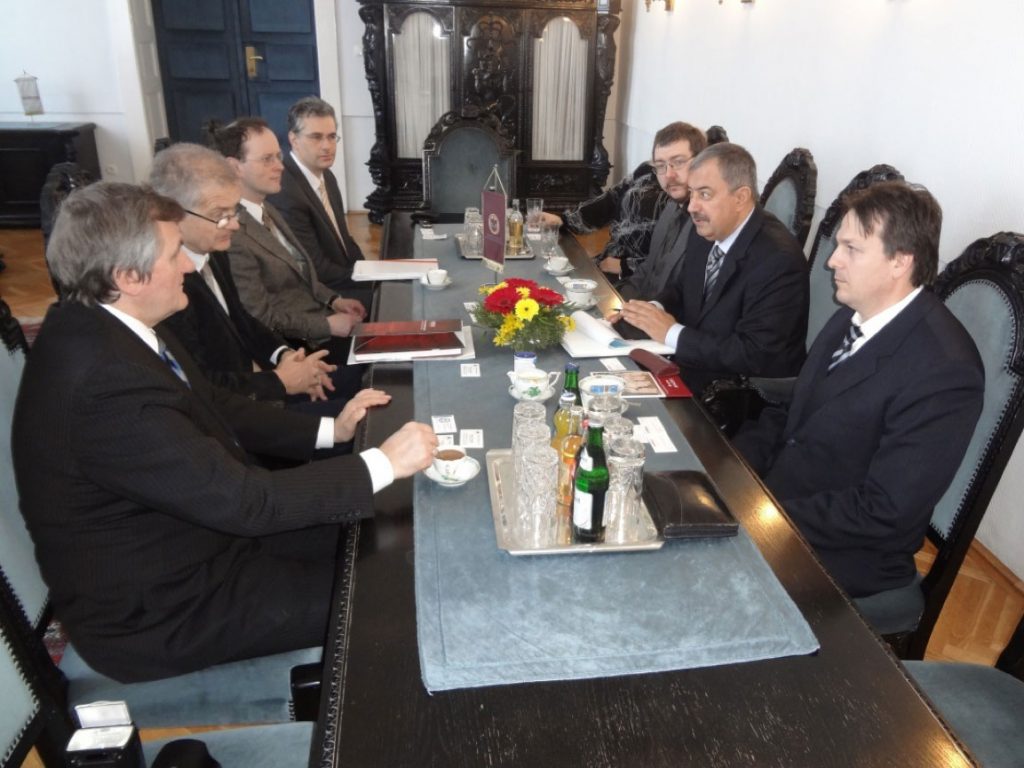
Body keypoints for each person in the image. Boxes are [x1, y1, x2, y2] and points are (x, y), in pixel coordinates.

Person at [11, 182, 437, 682]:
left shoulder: (112, 325)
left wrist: (332, 431)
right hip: (166, 609)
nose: (189, 267)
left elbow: (215, 405)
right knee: (398, 590)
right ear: (128, 277)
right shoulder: (103, 385)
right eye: (174, 254)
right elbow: (245, 503)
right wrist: (382, 462)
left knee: (394, 530)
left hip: (201, 542)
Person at [732, 181, 984, 599]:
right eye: (838, 245)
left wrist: (761, 516)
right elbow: (793, 413)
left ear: (900, 261)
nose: (832, 261)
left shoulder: (945, 371)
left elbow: (885, 511)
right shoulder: (854, 315)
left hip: (841, 553)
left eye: (851, 249)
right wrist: (731, 468)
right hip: (782, 502)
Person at [151, 142, 343, 411]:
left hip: (260, 386)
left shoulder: (214, 250)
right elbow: (203, 384)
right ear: (174, 214)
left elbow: (243, 320)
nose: (234, 225)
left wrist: (285, 356)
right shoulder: (168, 287)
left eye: (234, 211)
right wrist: (279, 381)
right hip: (236, 411)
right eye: (220, 215)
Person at [619, 142, 809, 395]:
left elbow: (755, 354)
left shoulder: (777, 260)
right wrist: (651, 311)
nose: (692, 206)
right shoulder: (706, 230)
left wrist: (671, 333)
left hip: (739, 395)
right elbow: (683, 289)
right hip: (694, 366)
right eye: (692, 193)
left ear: (741, 198)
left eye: (705, 194)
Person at [210, 117, 365, 397]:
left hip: (320, 319)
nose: (280, 166)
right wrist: (326, 324)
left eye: (278, 157)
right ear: (234, 167)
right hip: (299, 346)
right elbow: (259, 317)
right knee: (384, 371)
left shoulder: (266, 207)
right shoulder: (232, 234)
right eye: (267, 159)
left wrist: (334, 299)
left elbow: (301, 270)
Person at [269, 96, 366, 297]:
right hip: (323, 292)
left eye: (331, 137)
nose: (327, 146)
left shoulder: (327, 176)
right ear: (294, 140)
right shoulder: (285, 193)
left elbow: (345, 239)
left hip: (344, 276)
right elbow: (315, 267)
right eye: (316, 137)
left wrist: (368, 270)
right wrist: (366, 279)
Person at [617, 121, 708, 300]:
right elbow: (648, 269)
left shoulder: (708, 223)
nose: (668, 175)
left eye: (678, 162)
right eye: (660, 165)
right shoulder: (670, 207)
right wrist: (622, 301)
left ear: (701, 162)